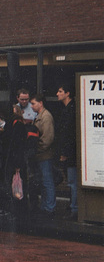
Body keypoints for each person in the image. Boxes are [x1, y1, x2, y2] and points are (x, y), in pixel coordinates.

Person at [30, 93, 56, 219]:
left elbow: (47, 138)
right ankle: (46, 206)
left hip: (44, 155)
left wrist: (38, 149)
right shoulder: (40, 116)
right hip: (41, 155)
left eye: (33, 103)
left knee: (47, 182)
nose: (32, 106)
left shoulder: (46, 117)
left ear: (41, 103)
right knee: (44, 182)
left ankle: (49, 208)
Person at [56, 82, 77, 220]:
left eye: (60, 91)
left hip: (70, 154)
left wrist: (64, 153)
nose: (57, 94)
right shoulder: (67, 109)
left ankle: (74, 208)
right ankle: (73, 206)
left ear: (67, 93)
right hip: (71, 152)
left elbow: (68, 134)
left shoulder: (70, 110)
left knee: (72, 181)